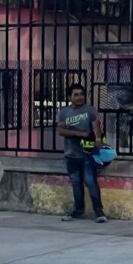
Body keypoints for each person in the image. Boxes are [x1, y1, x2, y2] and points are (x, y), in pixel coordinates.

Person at [56, 83, 106, 223]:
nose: (79, 97)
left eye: (81, 94)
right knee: (76, 183)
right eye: (76, 95)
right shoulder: (63, 112)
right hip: (70, 155)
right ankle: (78, 210)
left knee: (90, 181)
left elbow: (96, 126)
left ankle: (99, 211)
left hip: (87, 154)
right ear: (69, 97)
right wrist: (79, 133)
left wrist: (97, 140)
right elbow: (61, 130)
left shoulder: (90, 110)